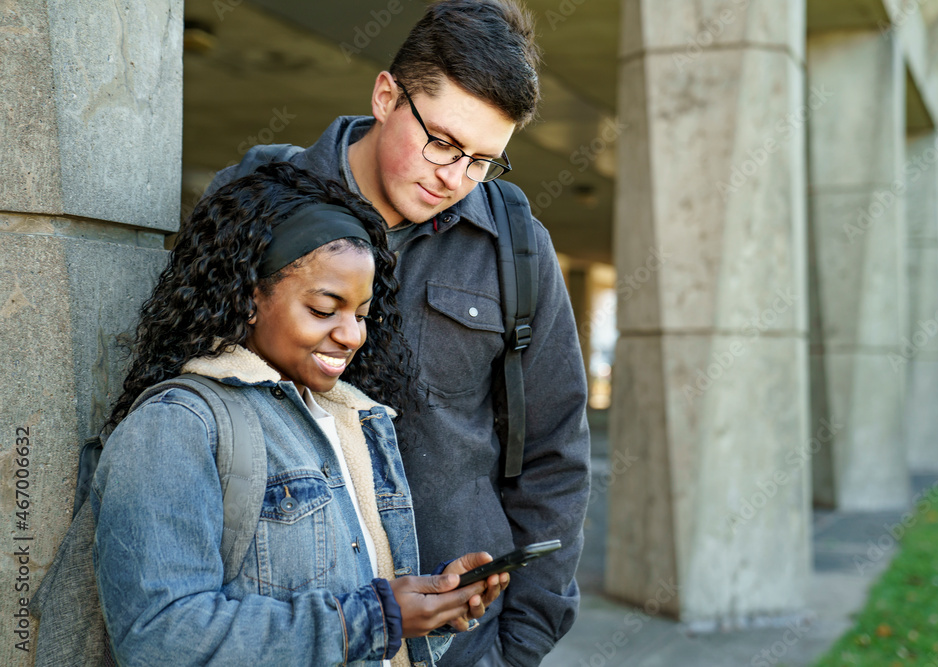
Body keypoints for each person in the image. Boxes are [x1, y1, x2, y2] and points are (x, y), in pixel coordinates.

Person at [205, 2, 591, 665]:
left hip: (463, 644)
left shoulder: (517, 246)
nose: (454, 178)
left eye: (482, 161)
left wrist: (519, 644)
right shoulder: (259, 199)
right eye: (441, 142)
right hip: (288, 629)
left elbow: (556, 450)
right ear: (386, 95)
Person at [94, 163, 508, 666]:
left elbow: (353, 606)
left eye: (361, 313)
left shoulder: (351, 418)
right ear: (249, 297)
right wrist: (377, 618)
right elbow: (161, 638)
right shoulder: (176, 426)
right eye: (323, 309)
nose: (352, 335)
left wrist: (427, 608)